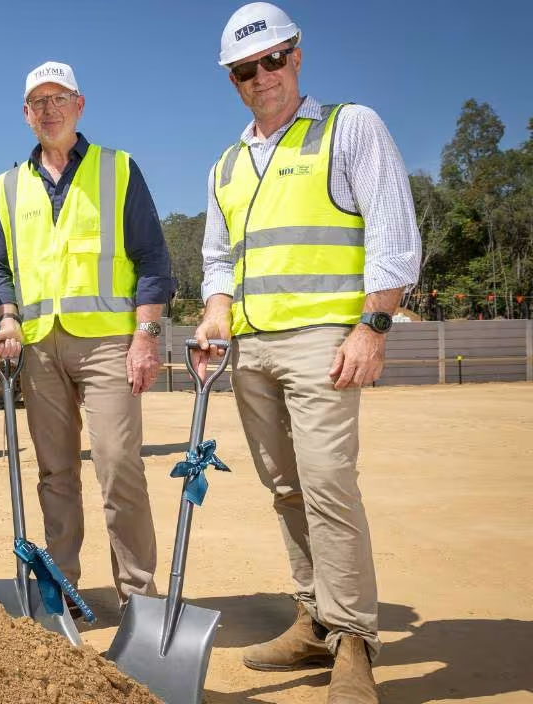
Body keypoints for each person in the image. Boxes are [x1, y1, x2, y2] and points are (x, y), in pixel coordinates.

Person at [193, 5, 422, 702]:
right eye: (245, 69)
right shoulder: (226, 164)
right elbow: (218, 259)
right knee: (285, 489)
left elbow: (393, 232)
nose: (261, 76)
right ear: (232, 80)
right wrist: (215, 312)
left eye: (272, 59)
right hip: (252, 349)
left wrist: (373, 326)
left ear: (296, 56)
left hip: (326, 343)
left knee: (327, 485)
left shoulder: (349, 128)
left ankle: (353, 640)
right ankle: (314, 618)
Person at [0, 61, 176, 614]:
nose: (49, 111)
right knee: (55, 473)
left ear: (79, 105)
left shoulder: (118, 169)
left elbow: (153, 259)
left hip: (109, 343)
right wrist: (8, 317)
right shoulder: (7, 186)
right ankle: (62, 590)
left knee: (118, 465)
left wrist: (146, 336)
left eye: (59, 99)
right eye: (38, 103)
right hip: (39, 347)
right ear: (26, 114)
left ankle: (139, 597)